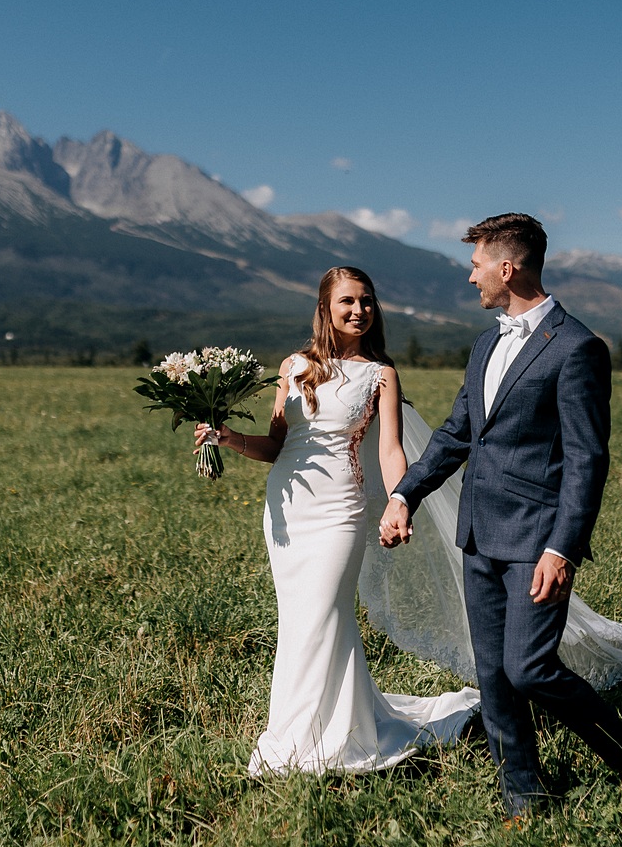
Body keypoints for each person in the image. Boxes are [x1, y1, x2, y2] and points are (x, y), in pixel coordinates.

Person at [379, 213, 622, 820]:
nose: (470, 277)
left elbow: (588, 459)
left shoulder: (576, 347)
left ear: (508, 268)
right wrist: (406, 494)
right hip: (479, 536)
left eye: (477, 264)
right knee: (495, 674)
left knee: (529, 668)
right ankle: (523, 797)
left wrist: (563, 548)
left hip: (537, 543)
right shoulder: (486, 344)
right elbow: (458, 433)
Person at [196, 267, 480, 774]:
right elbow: (276, 444)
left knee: (324, 615)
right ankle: (326, 725)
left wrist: (400, 502)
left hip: (340, 513)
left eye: (367, 301)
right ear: (325, 308)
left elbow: (390, 450)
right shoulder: (294, 366)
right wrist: (227, 439)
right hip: (287, 509)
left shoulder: (381, 375)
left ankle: (309, 740)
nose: (358, 310)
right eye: (347, 301)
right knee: (301, 621)